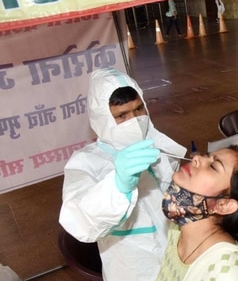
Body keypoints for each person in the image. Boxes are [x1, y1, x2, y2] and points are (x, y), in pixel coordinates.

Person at [59, 68, 188, 281]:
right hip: (134, 269)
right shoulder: (86, 163)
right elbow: (80, 220)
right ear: (102, 119)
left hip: (176, 260)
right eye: (121, 115)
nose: (135, 120)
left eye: (139, 109)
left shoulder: (155, 144)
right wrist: (118, 186)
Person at [156, 146, 238, 280]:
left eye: (213, 166)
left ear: (223, 205)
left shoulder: (228, 273)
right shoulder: (178, 227)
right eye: (206, 155)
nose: (197, 158)